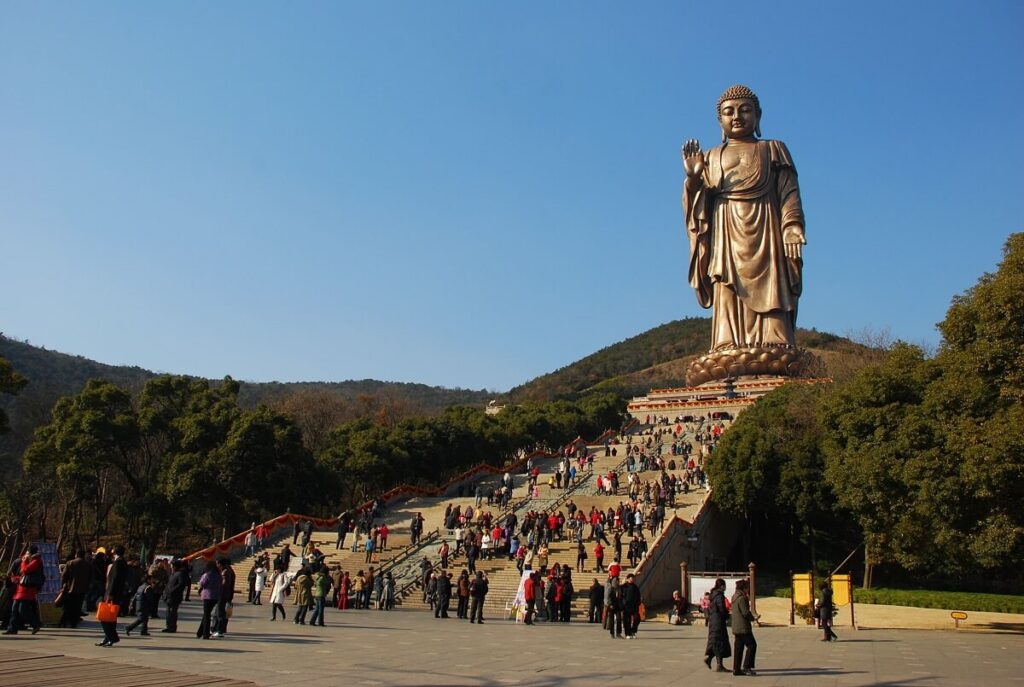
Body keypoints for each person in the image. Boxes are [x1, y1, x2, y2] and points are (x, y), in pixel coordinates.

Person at [682, 85, 806, 363]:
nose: (737, 116)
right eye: (729, 112)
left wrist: (792, 227)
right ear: (720, 121)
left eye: (744, 110)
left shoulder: (772, 149)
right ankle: (727, 343)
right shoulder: (712, 156)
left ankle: (776, 342)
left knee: (772, 283)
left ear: (758, 115)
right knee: (725, 284)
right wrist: (693, 180)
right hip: (725, 230)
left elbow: (789, 193)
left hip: (767, 228)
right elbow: (697, 208)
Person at [4, 546, 43, 635]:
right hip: (21, 588)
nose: (25, 555)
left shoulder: (36, 561)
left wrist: (24, 561)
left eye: (27, 553)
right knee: (14, 609)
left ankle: (35, 624)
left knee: (23, 609)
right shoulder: (30, 560)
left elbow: (25, 570)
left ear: (31, 553)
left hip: (28, 589)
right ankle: (12, 628)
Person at [96, 545, 128, 646]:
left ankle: (112, 637)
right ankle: (108, 637)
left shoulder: (119, 562)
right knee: (110, 617)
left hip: (112, 593)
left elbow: (115, 579)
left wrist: (111, 593)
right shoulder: (121, 561)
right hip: (113, 593)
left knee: (105, 616)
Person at [730, 579, 759, 676]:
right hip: (743, 627)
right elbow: (745, 612)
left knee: (739, 648)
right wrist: (753, 618)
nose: (748, 590)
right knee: (752, 645)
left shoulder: (734, 596)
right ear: (744, 588)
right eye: (747, 588)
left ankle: (736, 669)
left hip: (736, 626)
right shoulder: (742, 598)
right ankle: (747, 667)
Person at [59, 548, 92, 629]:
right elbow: (91, 578)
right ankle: (74, 623)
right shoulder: (88, 565)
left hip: (70, 588)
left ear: (76, 555)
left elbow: (64, 576)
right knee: (77, 607)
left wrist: (63, 585)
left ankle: (64, 622)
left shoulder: (70, 563)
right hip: (82, 589)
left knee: (68, 606)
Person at [703, 578, 731, 671]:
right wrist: (727, 617)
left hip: (713, 620)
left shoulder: (713, 595)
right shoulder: (719, 596)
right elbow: (721, 608)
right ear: (722, 586)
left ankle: (710, 659)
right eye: (724, 586)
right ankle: (719, 665)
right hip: (718, 621)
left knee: (715, 642)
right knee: (719, 642)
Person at [196, 560, 221, 640]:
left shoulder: (207, 575)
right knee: (207, 613)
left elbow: (202, 583)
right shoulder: (218, 575)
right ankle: (199, 632)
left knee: (207, 615)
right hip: (215, 596)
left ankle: (205, 633)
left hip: (207, 596)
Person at [161, 559, 188, 632]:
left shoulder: (180, 574)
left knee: (172, 613)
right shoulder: (173, 574)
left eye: (172, 566)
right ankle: (168, 626)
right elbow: (169, 584)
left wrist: (172, 590)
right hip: (168, 596)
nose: (171, 567)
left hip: (175, 597)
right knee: (168, 612)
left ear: (175, 566)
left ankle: (172, 627)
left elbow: (181, 584)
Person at [213, 558, 235, 637]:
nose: (217, 566)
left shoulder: (225, 572)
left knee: (220, 612)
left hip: (223, 594)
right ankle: (219, 629)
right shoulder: (229, 571)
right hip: (226, 594)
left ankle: (219, 630)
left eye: (217, 564)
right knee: (221, 612)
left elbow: (224, 584)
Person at [620, 573, 642, 638]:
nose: (632, 580)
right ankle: (627, 633)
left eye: (633, 578)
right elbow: (620, 596)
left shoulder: (635, 587)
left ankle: (633, 631)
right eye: (630, 578)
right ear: (628, 579)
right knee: (627, 621)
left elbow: (638, 596)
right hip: (626, 607)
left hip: (634, 606)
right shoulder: (624, 586)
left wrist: (638, 602)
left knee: (637, 618)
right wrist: (622, 604)